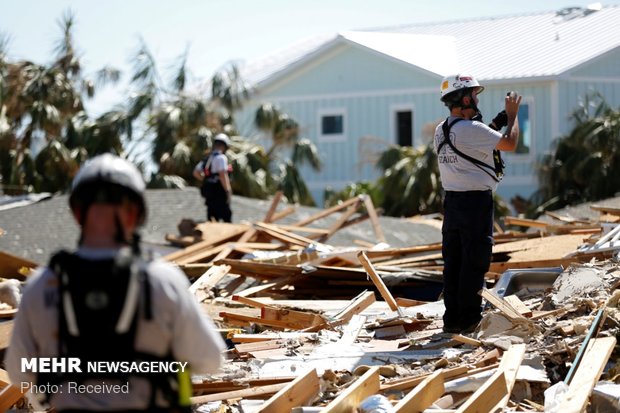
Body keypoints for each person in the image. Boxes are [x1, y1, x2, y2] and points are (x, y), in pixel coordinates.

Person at [5, 153, 227, 412]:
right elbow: (210, 360)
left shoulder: (42, 285)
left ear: (77, 213)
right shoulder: (163, 281)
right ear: (135, 214)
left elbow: (19, 372)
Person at [434, 74, 521, 334]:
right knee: (474, 261)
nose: (476, 99)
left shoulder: (442, 129)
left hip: (452, 202)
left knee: (454, 261)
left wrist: (495, 123)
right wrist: (513, 116)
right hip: (475, 203)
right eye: (474, 95)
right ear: (464, 98)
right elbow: (510, 144)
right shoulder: (471, 130)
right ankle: (470, 320)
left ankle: (452, 320)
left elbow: (473, 143)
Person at [193, 133, 233, 223]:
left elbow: (195, 173)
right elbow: (223, 175)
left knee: (212, 218)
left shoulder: (207, 158)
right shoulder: (221, 158)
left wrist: (206, 179)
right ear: (225, 146)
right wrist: (228, 190)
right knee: (227, 219)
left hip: (209, 194)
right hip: (219, 193)